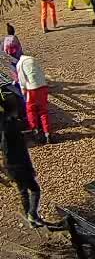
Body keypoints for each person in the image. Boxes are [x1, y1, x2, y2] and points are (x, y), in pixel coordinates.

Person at [1, 92, 44, 227]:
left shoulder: (6, 123)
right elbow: (15, 149)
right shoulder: (10, 127)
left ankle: (30, 217)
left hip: (12, 165)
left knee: (23, 191)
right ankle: (32, 214)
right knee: (35, 189)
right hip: (19, 164)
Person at [15, 53, 50, 144]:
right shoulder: (34, 60)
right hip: (43, 87)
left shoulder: (20, 63)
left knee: (31, 110)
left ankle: (36, 131)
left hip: (32, 89)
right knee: (43, 111)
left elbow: (22, 80)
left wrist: (23, 90)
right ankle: (48, 133)